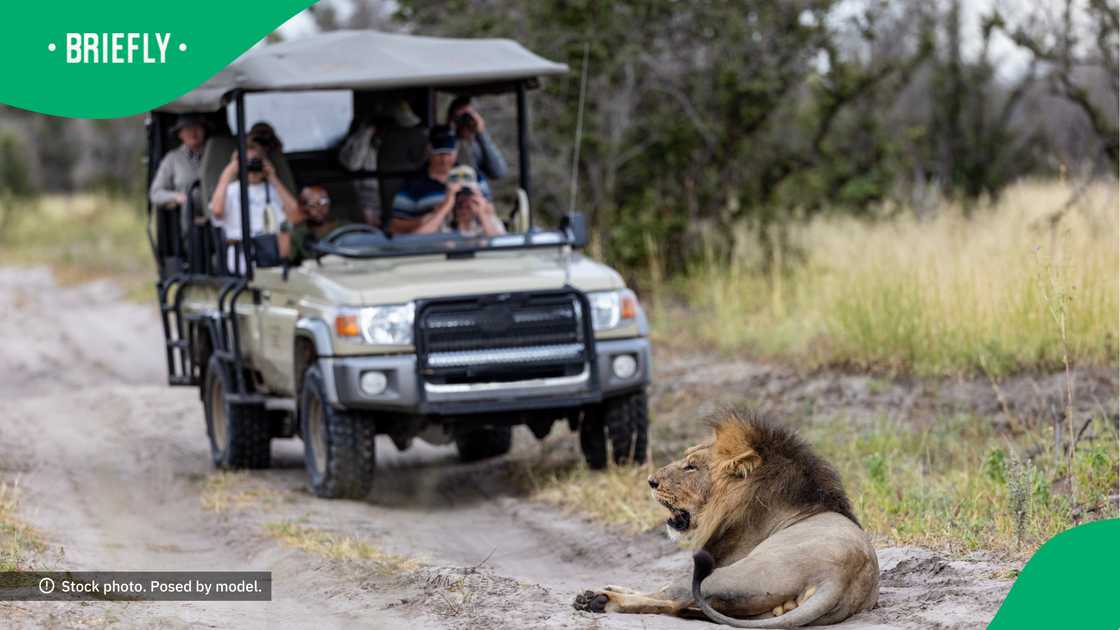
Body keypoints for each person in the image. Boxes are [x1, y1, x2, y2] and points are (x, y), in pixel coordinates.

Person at [210, 143, 299, 271]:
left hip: (272, 254)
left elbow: (295, 215)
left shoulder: (274, 190)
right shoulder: (230, 190)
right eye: (246, 161)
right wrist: (228, 174)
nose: (251, 166)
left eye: (256, 160)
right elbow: (217, 211)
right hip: (242, 256)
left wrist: (272, 177)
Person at [339, 99, 423, 227]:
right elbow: (352, 165)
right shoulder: (362, 139)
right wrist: (368, 132)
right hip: (368, 207)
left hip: (399, 205)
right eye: (393, 125)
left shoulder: (406, 142)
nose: (397, 130)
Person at [387, 125, 463, 235]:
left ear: (456, 152)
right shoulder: (412, 184)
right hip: (430, 245)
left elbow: (488, 216)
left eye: (448, 153)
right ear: (429, 150)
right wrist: (425, 220)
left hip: (469, 244)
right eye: (439, 153)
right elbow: (393, 226)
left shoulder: (473, 178)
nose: (444, 159)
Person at [149, 114, 208, 234]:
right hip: (191, 228)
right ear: (180, 134)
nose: (193, 132)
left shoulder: (215, 154)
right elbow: (155, 193)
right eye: (187, 128)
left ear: (204, 130)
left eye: (197, 127)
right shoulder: (172, 159)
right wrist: (177, 197)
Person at [281, 186, 350, 265]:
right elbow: (286, 262)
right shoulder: (299, 235)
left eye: (324, 202)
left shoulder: (345, 227)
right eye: (312, 204)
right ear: (302, 208)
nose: (320, 208)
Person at [446, 95, 508, 181]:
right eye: (461, 116)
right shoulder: (444, 144)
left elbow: (499, 172)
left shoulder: (477, 145)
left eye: (468, 115)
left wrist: (482, 133)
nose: (465, 120)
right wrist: (450, 131)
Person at [446, 166, 505, 237]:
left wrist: (482, 214)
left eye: (467, 193)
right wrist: (446, 205)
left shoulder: (488, 217)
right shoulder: (441, 216)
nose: (463, 199)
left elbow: (499, 243)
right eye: (457, 194)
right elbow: (428, 237)